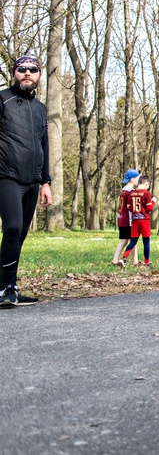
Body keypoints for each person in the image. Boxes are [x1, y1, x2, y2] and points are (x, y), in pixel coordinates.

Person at [0, 55, 52, 308]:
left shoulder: (41, 109)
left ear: (39, 75)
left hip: (33, 180)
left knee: (19, 235)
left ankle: (9, 287)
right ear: (14, 72)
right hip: (6, 176)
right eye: (22, 69)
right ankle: (4, 288)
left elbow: (44, 145)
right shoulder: (2, 99)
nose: (27, 73)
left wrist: (45, 182)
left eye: (33, 69)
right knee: (11, 227)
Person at [125, 174, 156, 266]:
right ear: (146, 184)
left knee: (133, 241)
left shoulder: (131, 193)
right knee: (146, 241)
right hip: (144, 220)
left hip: (135, 220)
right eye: (148, 185)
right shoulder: (147, 194)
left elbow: (129, 207)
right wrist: (153, 201)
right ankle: (147, 262)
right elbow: (149, 208)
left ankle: (124, 258)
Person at [111, 169, 139, 267]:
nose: (138, 181)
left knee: (124, 240)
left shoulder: (123, 190)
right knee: (133, 240)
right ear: (132, 179)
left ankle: (115, 259)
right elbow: (132, 207)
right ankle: (135, 261)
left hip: (121, 219)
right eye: (137, 179)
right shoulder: (131, 192)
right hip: (129, 220)